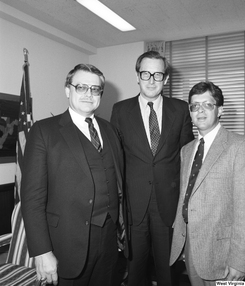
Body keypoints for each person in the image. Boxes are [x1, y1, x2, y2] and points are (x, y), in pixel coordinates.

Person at [21, 64, 127, 286]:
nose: (89, 94)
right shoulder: (44, 131)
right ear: (68, 90)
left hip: (109, 243)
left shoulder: (110, 130)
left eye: (95, 89)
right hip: (66, 246)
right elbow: (32, 199)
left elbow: (118, 185)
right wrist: (42, 252)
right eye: (81, 87)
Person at [110, 50, 194, 285]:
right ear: (137, 76)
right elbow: (115, 160)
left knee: (168, 270)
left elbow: (187, 157)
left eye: (157, 75)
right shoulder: (120, 110)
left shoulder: (180, 109)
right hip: (133, 206)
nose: (151, 80)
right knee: (135, 271)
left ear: (165, 79)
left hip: (168, 206)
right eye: (145, 73)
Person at [170, 81, 245, 285]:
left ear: (220, 110)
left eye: (207, 105)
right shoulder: (187, 150)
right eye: (195, 106)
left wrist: (241, 260)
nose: (200, 110)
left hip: (224, 253)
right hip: (192, 247)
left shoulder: (240, 146)